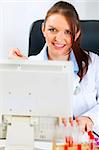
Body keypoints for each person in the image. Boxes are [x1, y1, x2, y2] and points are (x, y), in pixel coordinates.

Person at [9, 1, 99, 134]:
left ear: (77, 33)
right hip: (43, 141)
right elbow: (15, 110)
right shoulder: (29, 65)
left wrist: (90, 118)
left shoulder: (94, 63)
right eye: (52, 30)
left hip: (83, 140)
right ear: (43, 29)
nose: (59, 38)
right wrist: (15, 71)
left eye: (68, 32)